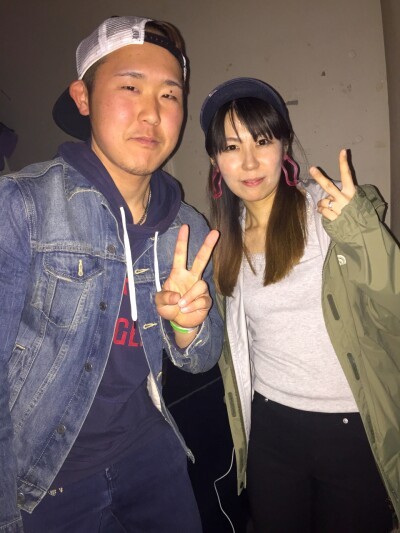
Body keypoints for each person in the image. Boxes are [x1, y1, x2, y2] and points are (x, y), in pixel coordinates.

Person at [0, 16, 223, 533]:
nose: (152, 113)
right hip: (43, 483)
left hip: (152, 457)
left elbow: (202, 357)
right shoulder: (23, 207)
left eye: (169, 95)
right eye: (130, 87)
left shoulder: (187, 227)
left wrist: (187, 324)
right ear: (83, 97)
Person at [199, 77, 400, 532]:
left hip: (351, 428)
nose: (249, 162)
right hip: (270, 429)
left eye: (262, 141)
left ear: (284, 145)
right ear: (215, 159)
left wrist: (361, 233)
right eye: (231, 147)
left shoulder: (332, 214)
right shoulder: (221, 244)